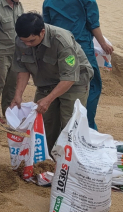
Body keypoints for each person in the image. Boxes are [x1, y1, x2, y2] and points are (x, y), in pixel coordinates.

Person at [43, 0, 113, 130]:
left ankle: (62, 128)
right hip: (82, 51)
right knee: (91, 86)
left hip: (59, 53)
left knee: (63, 85)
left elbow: (47, 29)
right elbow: (93, 23)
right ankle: (86, 127)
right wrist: (103, 43)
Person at [10, 13, 93, 152]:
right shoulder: (21, 41)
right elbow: (23, 69)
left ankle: (68, 163)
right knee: (43, 124)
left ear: (42, 32)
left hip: (74, 83)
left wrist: (48, 100)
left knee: (70, 124)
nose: (27, 45)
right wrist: (18, 95)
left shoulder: (61, 41)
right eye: (24, 41)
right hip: (46, 82)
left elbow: (70, 77)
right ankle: (46, 161)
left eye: (31, 41)